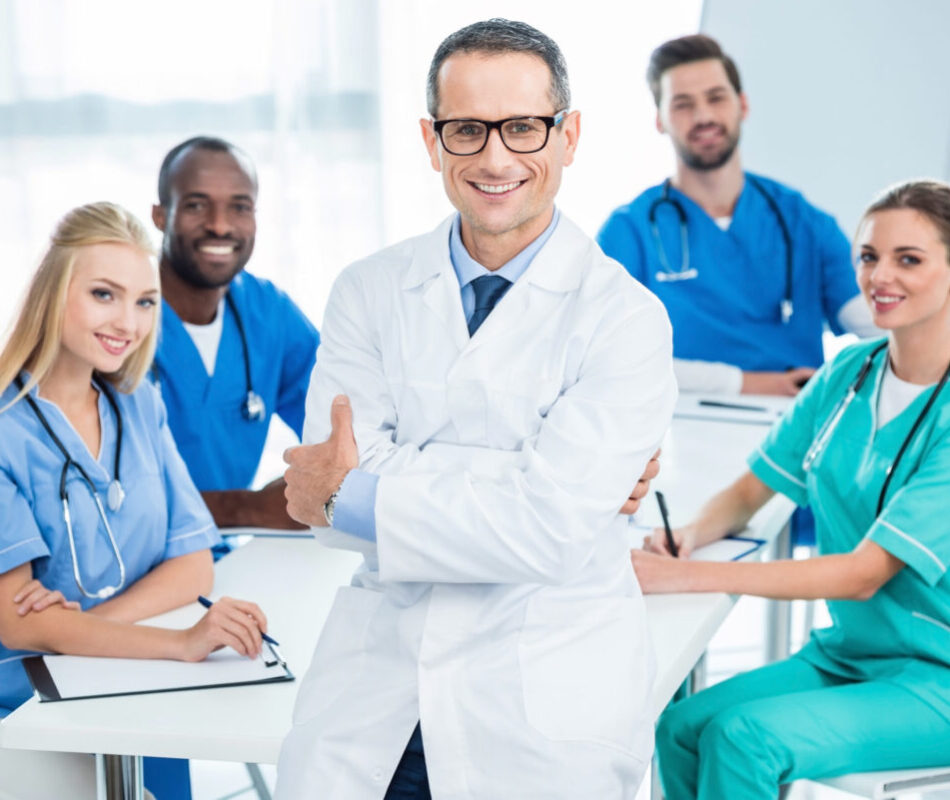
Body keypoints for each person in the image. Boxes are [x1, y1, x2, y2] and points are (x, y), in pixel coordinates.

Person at [275, 18, 676, 799]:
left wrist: (356, 493)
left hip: (540, 708)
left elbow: (546, 530)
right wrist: (515, 479)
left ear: (570, 136)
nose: (496, 158)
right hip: (376, 701)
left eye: (523, 127)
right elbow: (324, 508)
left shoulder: (626, 319)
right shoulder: (368, 291)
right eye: (467, 130)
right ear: (432, 141)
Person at [632, 179, 950, 799]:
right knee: (679, 726)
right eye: (868, 257)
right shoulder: (846, 374)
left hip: (935, 679)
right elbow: (752, 491)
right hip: (848, 655)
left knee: (744, 737)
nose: (879, 276)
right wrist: (691, 533)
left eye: (907, 259)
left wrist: (689, 577)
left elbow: (862, 574)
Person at [0, 202, 270, 799]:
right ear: (54, 293)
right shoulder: (5, 428)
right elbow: (16, 623)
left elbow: (194, 564)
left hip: (140, 692)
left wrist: (72, 628)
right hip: (31, 717)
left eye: (146, 301)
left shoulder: (139, 405)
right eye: (104, 294)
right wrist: (181, 642)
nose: (129, 321)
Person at [598, 34, 878, 397]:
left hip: (794, 425)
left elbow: (879, 322)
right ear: (660, 120)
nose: (703, 116)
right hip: (675, 423)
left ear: (742, 105)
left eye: (716, 97)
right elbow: (606, 359)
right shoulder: (629, 231)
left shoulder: (801, 221)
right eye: (683, 104)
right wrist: (749, 384)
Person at [151, 136, 320, 530]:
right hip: (126, 568)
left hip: (228, 558)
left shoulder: (269, 313)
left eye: (239, 207)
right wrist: (248, 509)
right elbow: (93, 494)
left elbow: (343, 423)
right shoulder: (114, 316)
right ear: (160, 216)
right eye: (195, 205)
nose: (220, 225)